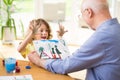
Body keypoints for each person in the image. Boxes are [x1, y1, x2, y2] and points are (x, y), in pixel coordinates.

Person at [28, 0, 120, 80]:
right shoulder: (116, 29)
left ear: (89, 12)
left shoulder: (102, 37)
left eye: (81, 14)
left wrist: (38, 61)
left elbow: (66, 66)